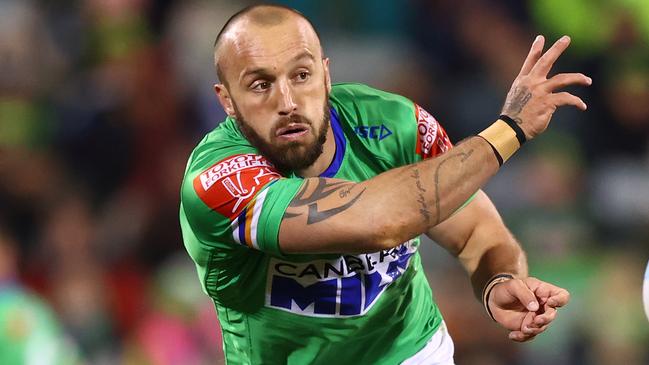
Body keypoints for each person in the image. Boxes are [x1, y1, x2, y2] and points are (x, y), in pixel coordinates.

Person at [179, 4, 591, 364]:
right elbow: (379, 222)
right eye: (260, 84)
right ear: (226, 100)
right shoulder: (217, 180)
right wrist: (509, 130)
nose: (286, 102)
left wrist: (496, 282)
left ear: (325, 75)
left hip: (411, 352)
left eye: (301, 75)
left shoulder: (394, 124)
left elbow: (475, 232)